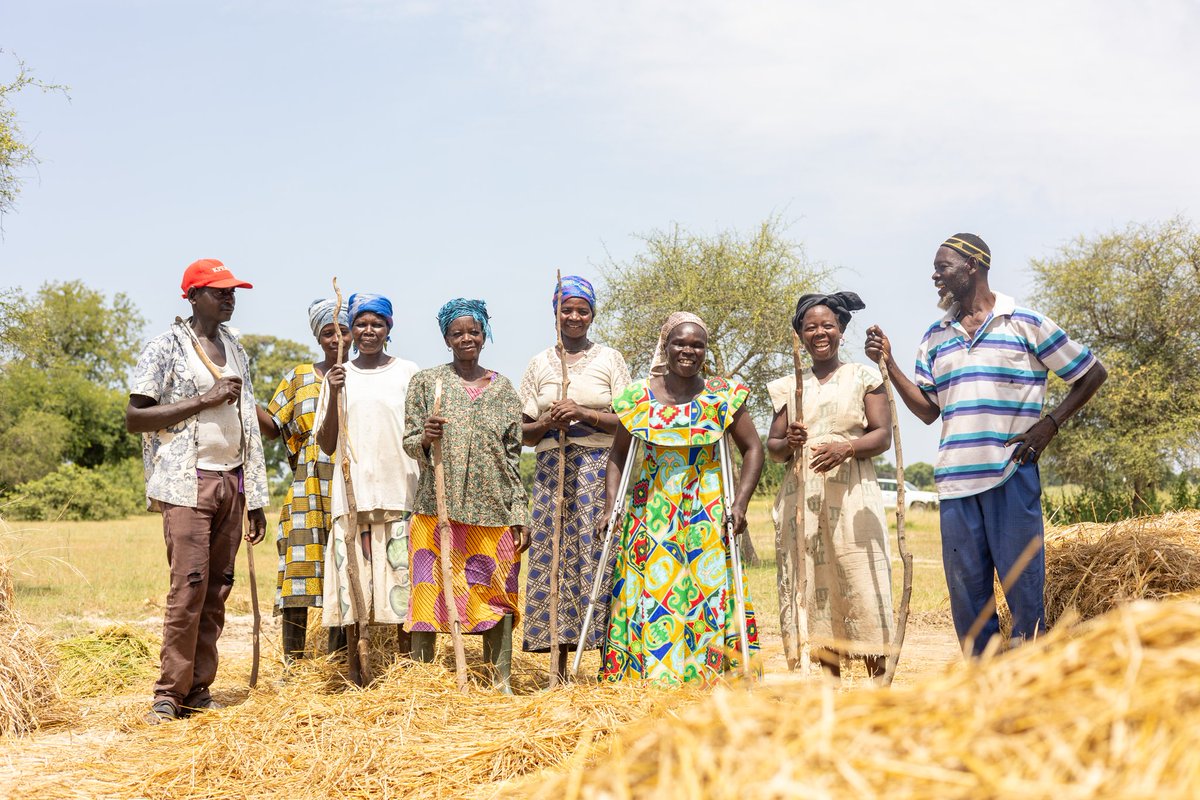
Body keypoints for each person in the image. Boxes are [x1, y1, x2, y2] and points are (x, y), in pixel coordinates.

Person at [865, 234, 1107, 655]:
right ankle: (982, 690)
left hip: (1011, 475)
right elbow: (927, 410)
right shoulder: (934, 337)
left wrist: (1050, 424)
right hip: (956, 485)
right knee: (969, 603)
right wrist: (890, 363)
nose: (935, 276)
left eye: (943, 267)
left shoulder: (1025, 323)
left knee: (1025, 594)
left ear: (973, 266)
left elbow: (1091, 373)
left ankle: (1030, 684)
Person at [126, 259, 269, 724]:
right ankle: (168, 694)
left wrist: (254, 497)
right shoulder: (165, 347)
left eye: (232, 291)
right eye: (219, 291)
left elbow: (247, 421)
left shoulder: (235, 348)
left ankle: (198, 689)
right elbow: (135, 418)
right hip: (188, 481)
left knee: (217, 590)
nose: (230, 297)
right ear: (192, 296)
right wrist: (202, 400)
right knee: (188, 587)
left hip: (231, 480)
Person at [599, 311, 764, 685]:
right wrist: (611, 507)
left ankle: (706, 675)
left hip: (705, 507)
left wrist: (739, 505)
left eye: (697, 345)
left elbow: (753, 448)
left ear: (705, 350)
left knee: (706, 590)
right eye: (680, 343)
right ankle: (649, 676)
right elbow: (618, 456)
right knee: (648, 589)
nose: (688, 351)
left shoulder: (723, 397)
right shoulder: (638, 398)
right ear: (665, 347)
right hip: (649, 508)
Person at [403, 299, 530, 694]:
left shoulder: (504, 389)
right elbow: (408, 441)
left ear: (484, 335)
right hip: (435, 512)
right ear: (446, 339)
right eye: (457, 333)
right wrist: (425, 437)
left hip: (493, 512)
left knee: (496, 593)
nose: (466, 339)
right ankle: (423, 684)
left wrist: (519, 513)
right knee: (429, 593)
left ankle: (500, 682)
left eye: (473, 331)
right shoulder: (427, 383)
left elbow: (512, 457)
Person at [766, 292, 894, 680]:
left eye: (827, 326)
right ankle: (826, 688)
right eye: (810, 328)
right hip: (803, 498)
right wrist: (788, 442)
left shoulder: (864, 378)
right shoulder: (789, 386)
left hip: (853, 497)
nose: (819, 333)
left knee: (862, 582)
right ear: (800, 336)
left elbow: (883, 435)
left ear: (840, 330)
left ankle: (877, 687)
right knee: (814, 586)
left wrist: (847, 448)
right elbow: (772, 449)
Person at [518, 276, 631, 680]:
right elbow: (523, 433)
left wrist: (585, 414)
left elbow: (631, 419)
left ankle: (607, 663)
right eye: (567, 309)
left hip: (601, 470)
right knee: (555, 560)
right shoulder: (539, 364)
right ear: (555, 314)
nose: (574, 316)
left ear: (592, 315)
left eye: (582, 310)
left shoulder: (610, 360)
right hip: (553, 474)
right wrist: (550, 419)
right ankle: (559, 669)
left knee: (599, 555)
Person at [315, 293, 422, 672]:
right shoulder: (337, 376)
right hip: (353, 496)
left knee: (402, 583)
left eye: (377, 323)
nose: (368, 331)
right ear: (350, 331)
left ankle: (407, 669)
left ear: (389, 328)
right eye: (361, 323)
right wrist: (336, 391)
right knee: (354, 586)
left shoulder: (409, 372)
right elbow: (327, 443)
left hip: (400, 490)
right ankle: (357, 669)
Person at [255, 299, 350, 663]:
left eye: (342, 331)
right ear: (318, 337)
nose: (336, 339)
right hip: (307, 486)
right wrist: (247, 399)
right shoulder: (299, 377)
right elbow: (271, 428)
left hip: (348, 484)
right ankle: (293, 665)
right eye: (329, 332)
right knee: (299, 574)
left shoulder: (362, 374)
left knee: (342, 571)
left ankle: (337, 661)